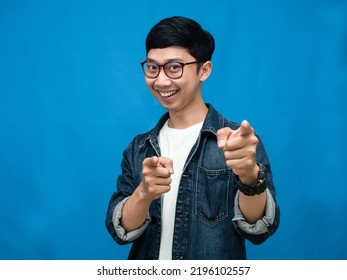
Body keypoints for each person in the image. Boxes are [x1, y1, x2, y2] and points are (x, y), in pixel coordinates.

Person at [105, 16, 280, 260]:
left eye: (174, 67)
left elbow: (258, 229)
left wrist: (250, 176)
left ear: (204, 70)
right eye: (153, 67)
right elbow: (121, 230)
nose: (161, 80)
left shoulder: (237, 143)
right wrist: (143, 193)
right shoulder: (138, 148)